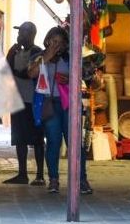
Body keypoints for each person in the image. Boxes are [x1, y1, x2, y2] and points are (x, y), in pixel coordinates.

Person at [30, 27, 91, 195]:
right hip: (50, 104)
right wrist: (47, 57)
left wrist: (70, 79)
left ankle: (82, 180)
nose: (57, 45)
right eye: (54, 41)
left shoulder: (70, 59)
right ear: (47, 41)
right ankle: (54, 179)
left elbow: (86, 77)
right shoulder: (39, 57)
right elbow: (31, 73)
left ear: (66, 44)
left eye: (61, 42)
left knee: (74, 142)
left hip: (69, 104)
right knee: (53, 141)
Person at [3, 22, 45, 186]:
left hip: (32, 100)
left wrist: (15, 72)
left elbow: (29, 74)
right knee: (19, 138)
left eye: (22, 33)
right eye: (19, 33)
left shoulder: (36, 52)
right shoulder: (16, 53)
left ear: (30, 35)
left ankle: (40, 175)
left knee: (37, 138)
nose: (19, 36)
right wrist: (9, 55)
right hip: (17, 100)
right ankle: (22, 174)